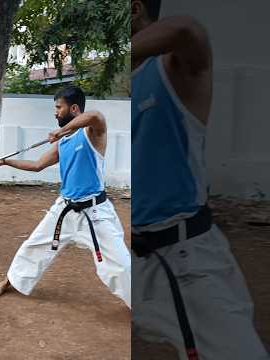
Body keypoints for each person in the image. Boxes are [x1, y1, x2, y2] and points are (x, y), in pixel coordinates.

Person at [131, 1, 269, 359]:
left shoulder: (174, 71)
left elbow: (187, 30)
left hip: (186, 259)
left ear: (133, 8)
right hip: (134, 255)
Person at [0, 85, 131, 309]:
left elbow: (95, 115)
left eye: (58, 107)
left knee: (120, 264)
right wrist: (4, 162)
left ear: (74, 109)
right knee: (34, 245)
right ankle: (10, 281)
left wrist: (62, 131)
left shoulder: (92, 133)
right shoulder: (62, 143)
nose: (55, 112)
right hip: (64, 208)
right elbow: (36, 166)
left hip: (95, 212)